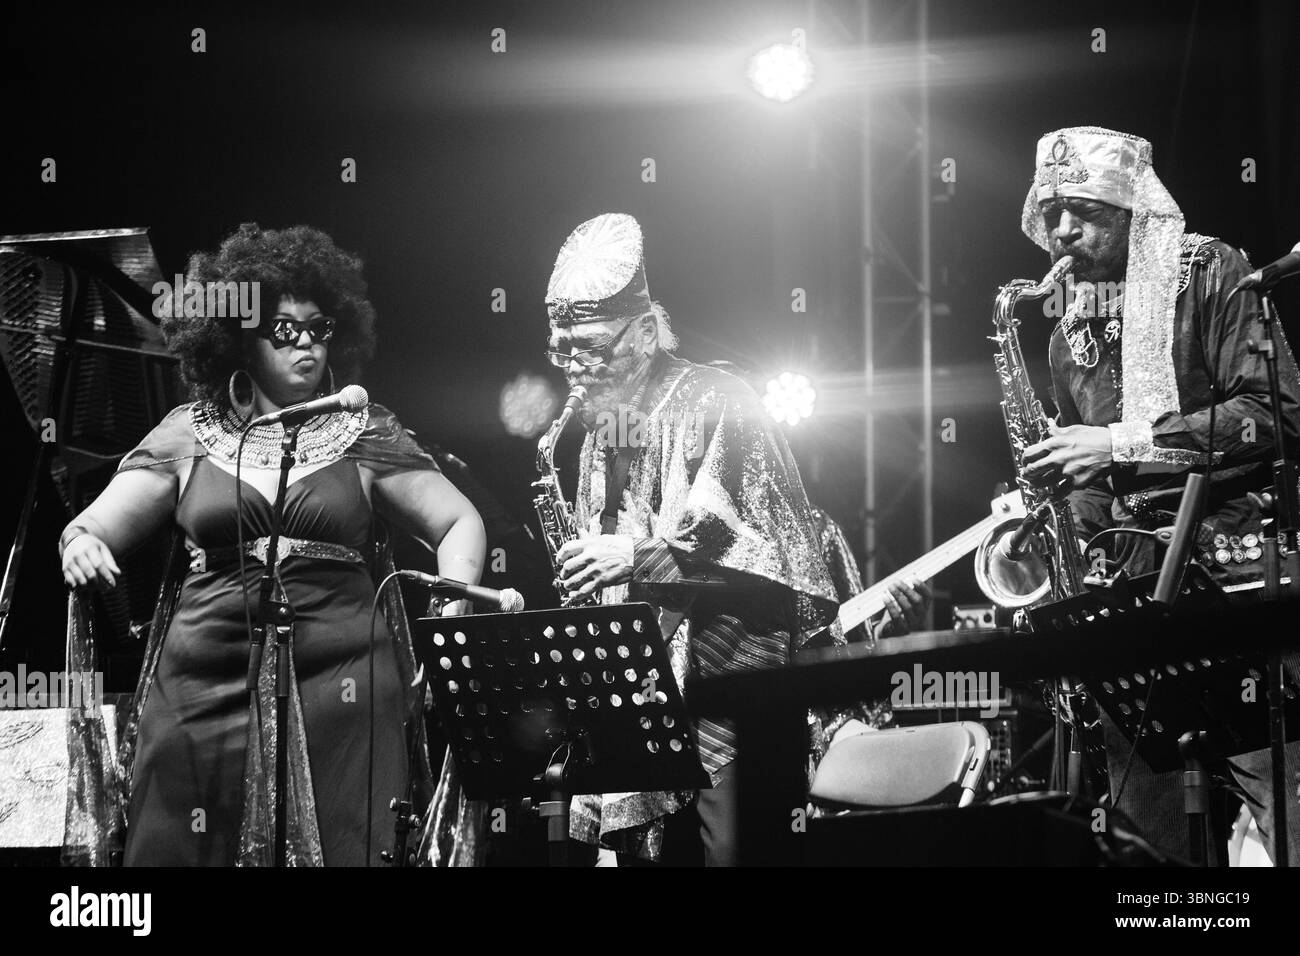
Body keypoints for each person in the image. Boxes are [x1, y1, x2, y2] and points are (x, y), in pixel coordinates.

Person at [60, 223, 486, 866]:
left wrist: (450, 606)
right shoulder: (187, 433)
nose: (308, 345)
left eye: (321, 328)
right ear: (237, 337)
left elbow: (459, 522)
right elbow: (88, 526)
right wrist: (80, 546)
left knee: (349, 835)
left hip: (344, 676)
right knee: (182, 840)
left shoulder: (363, 428)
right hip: (203, 673)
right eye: (284, 330)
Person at [1016, 126, 1300, 862]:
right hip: (1131, 612)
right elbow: (1092, 485)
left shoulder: (1211, 269)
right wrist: (1059, 520)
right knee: (1151, 849)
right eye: (1050, 214)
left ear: (1131, 205)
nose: (1062, 230)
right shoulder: (1063, 330)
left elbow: (1277, 416)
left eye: (1082, 208)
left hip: (1236, 585)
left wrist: (1120, 444)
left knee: (1291, 809)